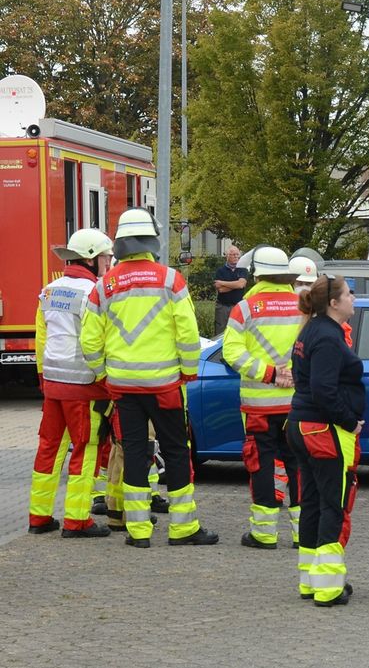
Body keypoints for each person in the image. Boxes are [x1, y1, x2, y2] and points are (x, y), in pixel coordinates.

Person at [80, 208, 218, 548]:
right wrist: (188, 370)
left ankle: (138, 531)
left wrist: (102, 374)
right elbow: (187, 333)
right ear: (151, 242)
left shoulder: (103, 285)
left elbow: (89, 341)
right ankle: (183, 528)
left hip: (124, 387)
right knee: (174, 450)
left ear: (121, 243)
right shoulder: (171, 280)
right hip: (165, 386)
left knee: (134, 451)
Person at [27, 228, 115, 538]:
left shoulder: (49, 290)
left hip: (53, 384)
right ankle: (77, 521)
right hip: (85, 387)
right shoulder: (95, 292)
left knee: (49, 449)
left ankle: (39, 517)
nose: (109, 261)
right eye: (106, 256)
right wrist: (107, 380)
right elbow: (100, 340)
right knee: (86, 450)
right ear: (91, 258)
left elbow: (41, 339)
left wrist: (42, 377)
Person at [286, 274, 364, 607]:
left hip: (303, 426)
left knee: (314, 504)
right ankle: (329, 587)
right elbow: (323, 390)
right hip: (323, 430)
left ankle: (311, 580)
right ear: (333, 303)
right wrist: (350, 421)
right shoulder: (329, 338)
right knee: (333, 504)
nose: (353, 300)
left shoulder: (312, 330)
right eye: (349, 295)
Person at [223, 246, 302, 550]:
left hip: (258, 406)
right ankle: (301, 533)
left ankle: (265, 533)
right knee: (297, 465)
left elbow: (231, 352)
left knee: (262, 464)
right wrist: (294, 374)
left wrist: (269, 373)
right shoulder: (303, 306)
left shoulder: (244, 308)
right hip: (296, 404)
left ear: (257, 274)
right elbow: (312, 346)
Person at [213, 245, 247, 336]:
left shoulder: (242, 269)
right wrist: (236, 284)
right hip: (223, 307)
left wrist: (223, 282)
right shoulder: (220, 271)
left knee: (237, 331)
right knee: (220, 332)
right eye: (233, 254)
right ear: (227, 256)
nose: (236, 257)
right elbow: (221, 290)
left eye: (237, 254)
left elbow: (241, 284)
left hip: (238, 306)